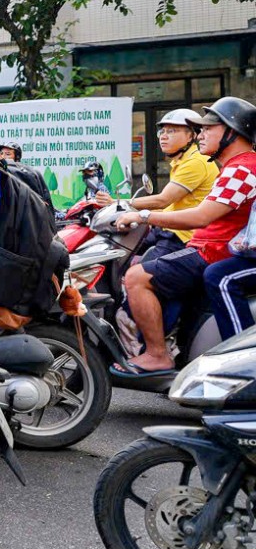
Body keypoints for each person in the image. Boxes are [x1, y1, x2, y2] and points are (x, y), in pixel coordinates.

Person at [115, 97, 256, 374]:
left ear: (232, 132)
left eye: (208, 129)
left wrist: (141, 215)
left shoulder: (243, 168)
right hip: (205, 247)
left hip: (214, 252)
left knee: (136, 278)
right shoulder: (232, 166)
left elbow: (200, 216)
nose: (201, 135)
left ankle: (157, 355)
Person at [96, 109, 217, 261]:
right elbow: (176, 205)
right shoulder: (183, 161)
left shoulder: (195, 162)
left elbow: (163, 200)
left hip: (183, 235)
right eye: (162, 131)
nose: (163, 137)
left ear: (191, 136)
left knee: (138, 275)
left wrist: (115, 202)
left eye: (172, 131)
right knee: (120, 247)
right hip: (169, 228)